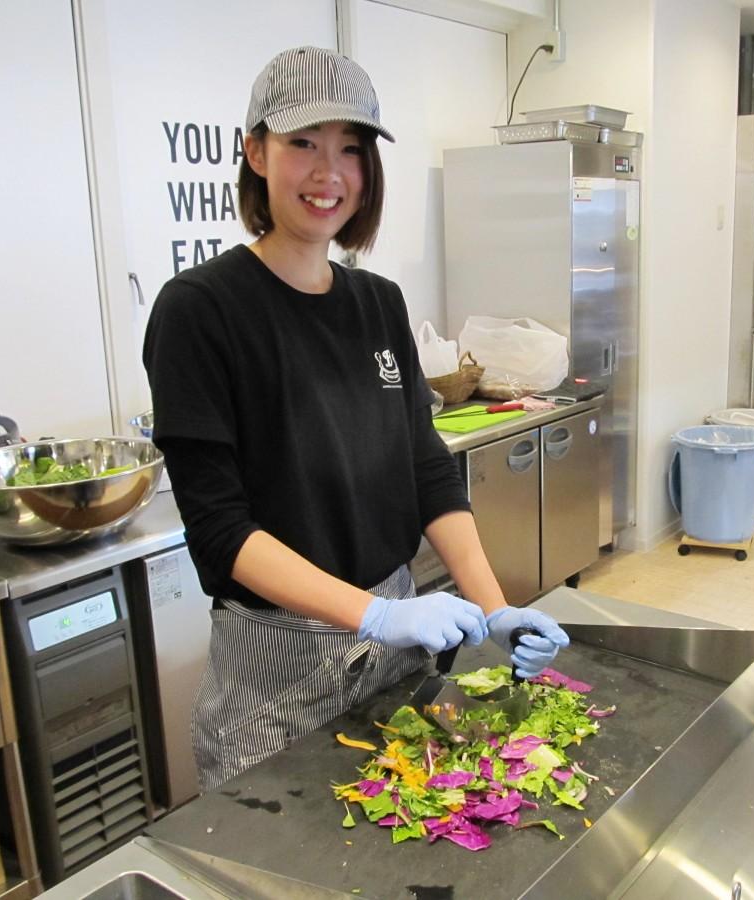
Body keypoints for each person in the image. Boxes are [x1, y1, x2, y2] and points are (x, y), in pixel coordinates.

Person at [143, 46, 571, 791]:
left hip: (395, 661)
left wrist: (494, 608)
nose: (328, 172)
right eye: (303, 143)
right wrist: (373, 615)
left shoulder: (378, 303)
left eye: (350, 148)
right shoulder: (200, 311)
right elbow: (219, 529)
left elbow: (426, 466)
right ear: (255, 152)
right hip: (276, 676)